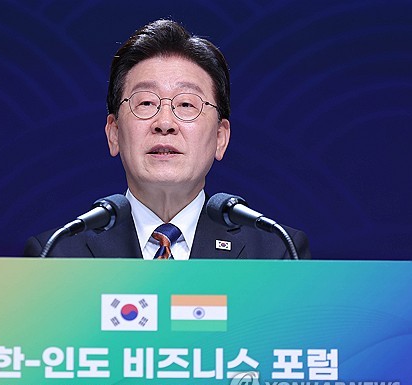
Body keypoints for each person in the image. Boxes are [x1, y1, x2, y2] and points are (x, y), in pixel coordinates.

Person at [24, 19, 310, 259]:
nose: (164, 124)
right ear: (114, 133)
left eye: (186, 104)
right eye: (146, 103)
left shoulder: (276, 253)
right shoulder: (57, 254)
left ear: (220, 137)